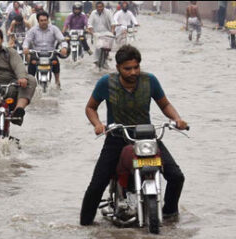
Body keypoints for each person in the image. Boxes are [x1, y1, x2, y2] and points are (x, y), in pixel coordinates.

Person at [80, 45, 188, 226]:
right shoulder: (106, 83)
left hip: (146, 137)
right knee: (97, 184)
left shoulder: (150, 81)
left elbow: (165, 104)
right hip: (117, 138)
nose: (133, 72)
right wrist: (98, 124)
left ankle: (169, 214)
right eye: (127, 69)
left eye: (136, 67)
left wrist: (177, 119)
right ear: (118, 68)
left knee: (176, 176)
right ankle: (85, 225)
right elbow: (90, 107)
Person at [23, 11, 68, 89]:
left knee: (56, 63)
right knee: (31, 65)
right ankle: (30, 84)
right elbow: (27, 40)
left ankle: (57, 81)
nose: (44, 22)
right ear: (38, 21)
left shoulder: (54, 29)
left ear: (48, 20)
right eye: (41, 20)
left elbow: (62, 39)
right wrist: (25, 48)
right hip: (37, 53)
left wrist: (64, 47)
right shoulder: (33, 30)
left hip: (50, 53)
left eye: (45, 20)